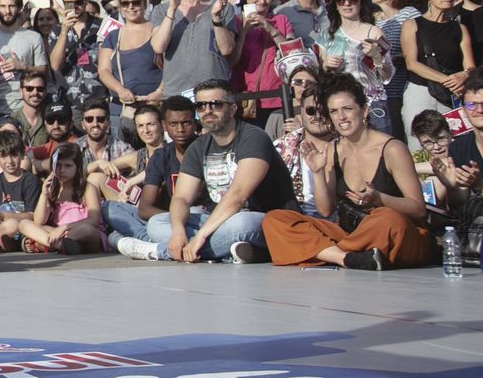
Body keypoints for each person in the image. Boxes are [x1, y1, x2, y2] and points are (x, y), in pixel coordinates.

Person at [261, 74, 431, 270]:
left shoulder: (392, 148)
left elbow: (418, 209)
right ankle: (345, 258)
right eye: (333, 111)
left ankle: (323, 251)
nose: (341, 117)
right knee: (276, 219)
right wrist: (317, 172)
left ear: (364, 110)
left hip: (395, 232)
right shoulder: (334, 148)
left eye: (347, 109)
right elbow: (325, 210)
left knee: (386, 218)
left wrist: (379, 199)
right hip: (352, 232)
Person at [118, 80, 299, 263]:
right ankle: (234, 252)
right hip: (218, 221)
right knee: (158, 224)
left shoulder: (253, 137)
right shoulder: (198, 147)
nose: (208, 110)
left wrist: (200, 237)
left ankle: (161, 251)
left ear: (233, 109)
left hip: (268, 220)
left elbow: (237, 196)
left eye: (216, 104)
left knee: (242, 223)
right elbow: (180, 198)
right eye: (201, 106)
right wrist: (179, 230)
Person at [151, 0, 238, 98]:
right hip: (176, 94)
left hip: (214, 93)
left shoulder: (223, 7)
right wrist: (172, 9)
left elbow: (227, 49)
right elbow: (158, 46)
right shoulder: (162, 10)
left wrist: (216, 17)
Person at [400, 0, 472, 145]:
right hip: (420, 90)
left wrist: (464, 75)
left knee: (452, 142)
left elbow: (470, 66)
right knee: (419, 144)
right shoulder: (412, 25)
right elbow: (412, 63)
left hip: (451, 95)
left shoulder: (459, 28)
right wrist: (448, 80)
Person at [314, 0, 394, 135]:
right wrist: (325, 65)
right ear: (335, 5)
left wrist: (376, 56)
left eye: (352, 0)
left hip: (371, 102)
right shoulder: (326, 35)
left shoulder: (374, 32)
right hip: (340, 104)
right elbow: (319, 74)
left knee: (380, 148)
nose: (347, 4)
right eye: (341, 1)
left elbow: (387, 75)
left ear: (361, 3)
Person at [17, 142, 105, 254]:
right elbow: (39, 221)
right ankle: (60, 245)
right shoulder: (53, 188)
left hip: (81, 232)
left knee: (85, 230)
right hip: (58, 233)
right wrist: (44, 194)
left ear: (77, 167)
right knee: (24, 224)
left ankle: (51, 244)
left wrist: (64, 228)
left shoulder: (87, 188)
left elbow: (94, 220)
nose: (62, 170)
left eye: (68, 166)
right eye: (58, 165)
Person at [101, 104, 168, 243]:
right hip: (140, 215)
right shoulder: (138, 156)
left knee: (117, 239)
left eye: (150, 124)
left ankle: (146, 239)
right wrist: (98, 163)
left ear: (162, 125)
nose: (146, 130)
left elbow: (158, 168)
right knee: (112, 235)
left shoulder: (171, 151)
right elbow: (95, 169)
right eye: (141, 126)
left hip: (163, 214)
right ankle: (147, 238)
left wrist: (132, 181)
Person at [233, 0, 293, 127]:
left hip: (276, 97)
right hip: (244, 99)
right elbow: (232, 60)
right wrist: (244, 32)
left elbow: (292, 54)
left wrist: (271, 29)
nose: (262, 0)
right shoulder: (235, 22)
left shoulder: (280, 20)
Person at [373, 0, 423, 138]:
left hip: (404, 89)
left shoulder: (408, 13)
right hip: (382, 93)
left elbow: (414, 50)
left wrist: (387, 58)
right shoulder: (375, 22)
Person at [0, 0, 47, 112]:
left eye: (12, 6)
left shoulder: (33, 37)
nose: (7, 11)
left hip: (27, 107)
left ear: (19, 7)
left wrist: (23, 66)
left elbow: (43, 70)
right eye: (3, 6)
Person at [97, 0, 162, 114]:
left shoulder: (158, 30)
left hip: (156, 105)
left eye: (136, 2)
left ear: (145, 4)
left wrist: (160, 91)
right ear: (121, 8)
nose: (130, 7)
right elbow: (103, 70)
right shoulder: (113, 36)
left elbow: (172, 66)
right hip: (123, 107)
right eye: (125, 3)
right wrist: (120, 90)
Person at [274, 82, 335, 215]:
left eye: (324, 110)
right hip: (293, 219)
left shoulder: (346, 144)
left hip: (336, 220)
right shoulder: (281, 147)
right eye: (311, 110)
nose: (317, 116)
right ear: (300, 112)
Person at [48, 0, 103, 116]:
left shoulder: (101, 26)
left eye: (78, 2)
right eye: (69, 4)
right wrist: (64, 32)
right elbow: (55, 66)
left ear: (86, 1)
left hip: (100, 100)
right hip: (70, 101)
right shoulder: (57, 31)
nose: (75, 7)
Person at [432, 72, 483, 208]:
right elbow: (458, 205)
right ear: (464, 110)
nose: (479, 110)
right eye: (472, 105)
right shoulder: (458, 148)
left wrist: (479, 186)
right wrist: (451, 186)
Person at [77, 99, 136, 198]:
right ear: (83, 124)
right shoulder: (74, 148)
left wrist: (115, 165)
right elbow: (66, 179)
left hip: (116, 203)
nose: (95, 124)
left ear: (108, 123)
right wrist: (96, 165)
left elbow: (142, 164)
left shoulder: (122, 147)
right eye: (89, 119)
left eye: (100, 119)